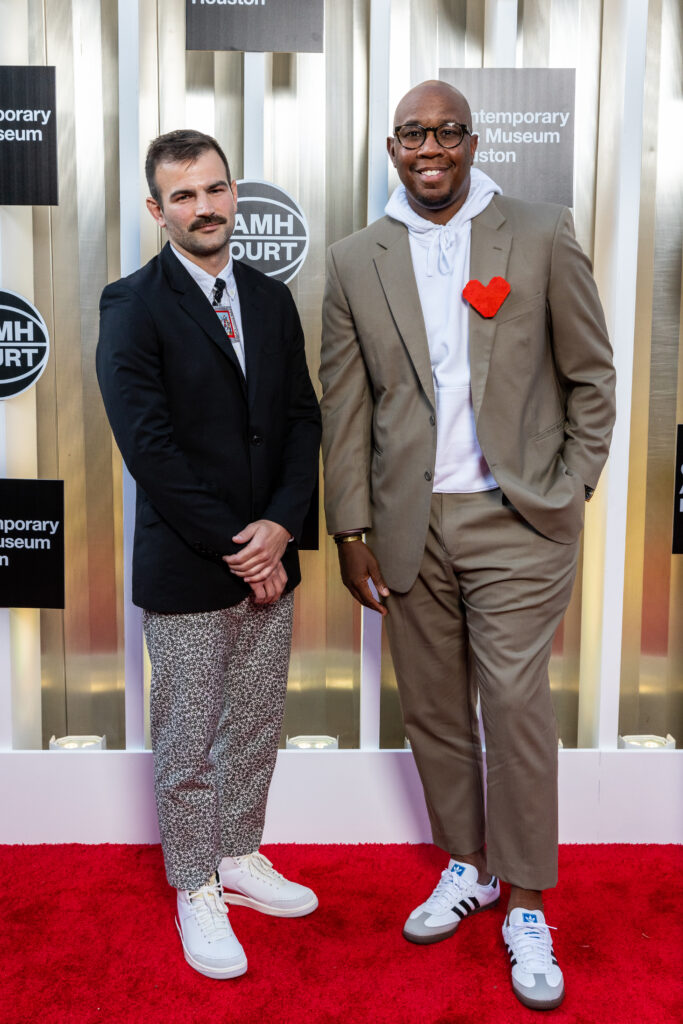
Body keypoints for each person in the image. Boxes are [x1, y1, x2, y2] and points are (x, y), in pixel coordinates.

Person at [319, 81, 615, 1011]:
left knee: (516, 707)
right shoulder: (353, 258)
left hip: (516, 518)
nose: (430, 147)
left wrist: (568, 487)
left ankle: (527, 899)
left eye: (447, 132)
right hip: (410, 524)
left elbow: (592, 377)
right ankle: (468, 865)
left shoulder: (537, 230)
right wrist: (350, 527)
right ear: (394, 146)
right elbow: (346, 405)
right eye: (413, 133)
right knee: (436, 713)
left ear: (474, 141)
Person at [97, 130, 321, 980]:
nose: (203, 207)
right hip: (195, 566)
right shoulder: (132, 303)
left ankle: (238, 856)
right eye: (183, 196)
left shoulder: (270, 298)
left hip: (270, 552)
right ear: (158, 211)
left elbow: (301, 420)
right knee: (189, 737)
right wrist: (242, 546)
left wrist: (280, 527)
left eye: (215, 190)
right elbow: (149, 448)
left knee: (255, 725)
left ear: (236, 195)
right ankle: (195, 885)